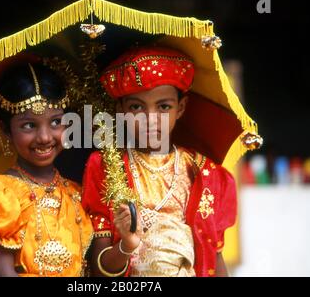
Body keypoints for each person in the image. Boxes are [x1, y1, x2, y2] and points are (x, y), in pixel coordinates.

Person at [82, 46, 237, 277]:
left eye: (163, 107)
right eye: (136, 107)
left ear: (181, 108)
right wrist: (127, 245)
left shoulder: (207, 173)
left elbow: (215, 259)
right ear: (120, 110)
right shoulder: (104, 166)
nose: (150, 119)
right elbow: (99, 270)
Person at [0, 61, 93, 276]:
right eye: (29, 125)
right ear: (6, 130)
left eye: (55, 123)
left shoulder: (77, 193)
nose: (44, 137)